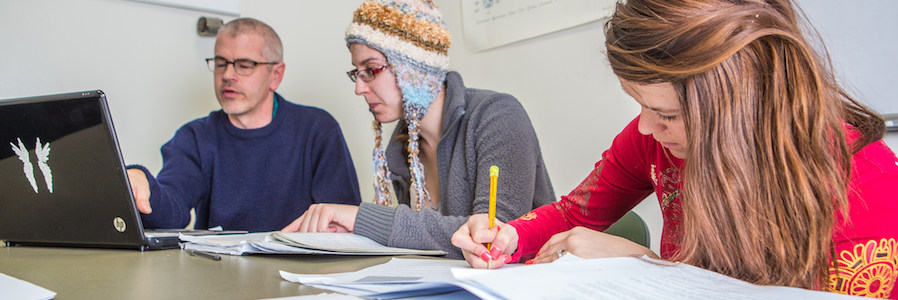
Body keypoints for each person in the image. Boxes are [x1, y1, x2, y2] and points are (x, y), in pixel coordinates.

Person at [452, 0, 898, 297]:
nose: (646, 127)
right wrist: (510, 236)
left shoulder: (866, 180)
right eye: (640, 104)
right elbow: (575, 213)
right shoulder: (651, 138)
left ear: (747, 105)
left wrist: (648, 265)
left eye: (667, 113)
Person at [281, 0, 555, 259]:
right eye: (357, 73)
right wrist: (357, 232)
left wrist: (362, 219)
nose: (359, 88)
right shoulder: (401, 149)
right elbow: (420, 245)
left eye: (371, 70)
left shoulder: (498, 115)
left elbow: (491, 239)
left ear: (414, 68)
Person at [126, 18, 362, 232]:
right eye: (221, 63)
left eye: (244, 65)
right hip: (217, 265)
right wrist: (142, 184)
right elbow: (171, 213)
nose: (228, 75)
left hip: (297, 265)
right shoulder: (195, 137)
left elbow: (343, 224)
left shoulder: (317, 130)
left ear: (276, 75)